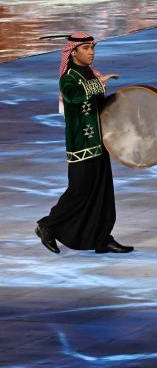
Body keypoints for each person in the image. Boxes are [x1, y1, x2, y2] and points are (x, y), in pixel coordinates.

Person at [35, 32, 133, 255]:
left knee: (102, 194)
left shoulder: (91, 73)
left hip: (100, 142)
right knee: (79, 191)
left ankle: (101, 239)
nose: (91, 52)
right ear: (73, 52)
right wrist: (99, 84)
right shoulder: (68, 77)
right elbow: (74, 96)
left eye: (92, 48)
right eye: (86, 48)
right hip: (82, 144)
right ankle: (48, 225)